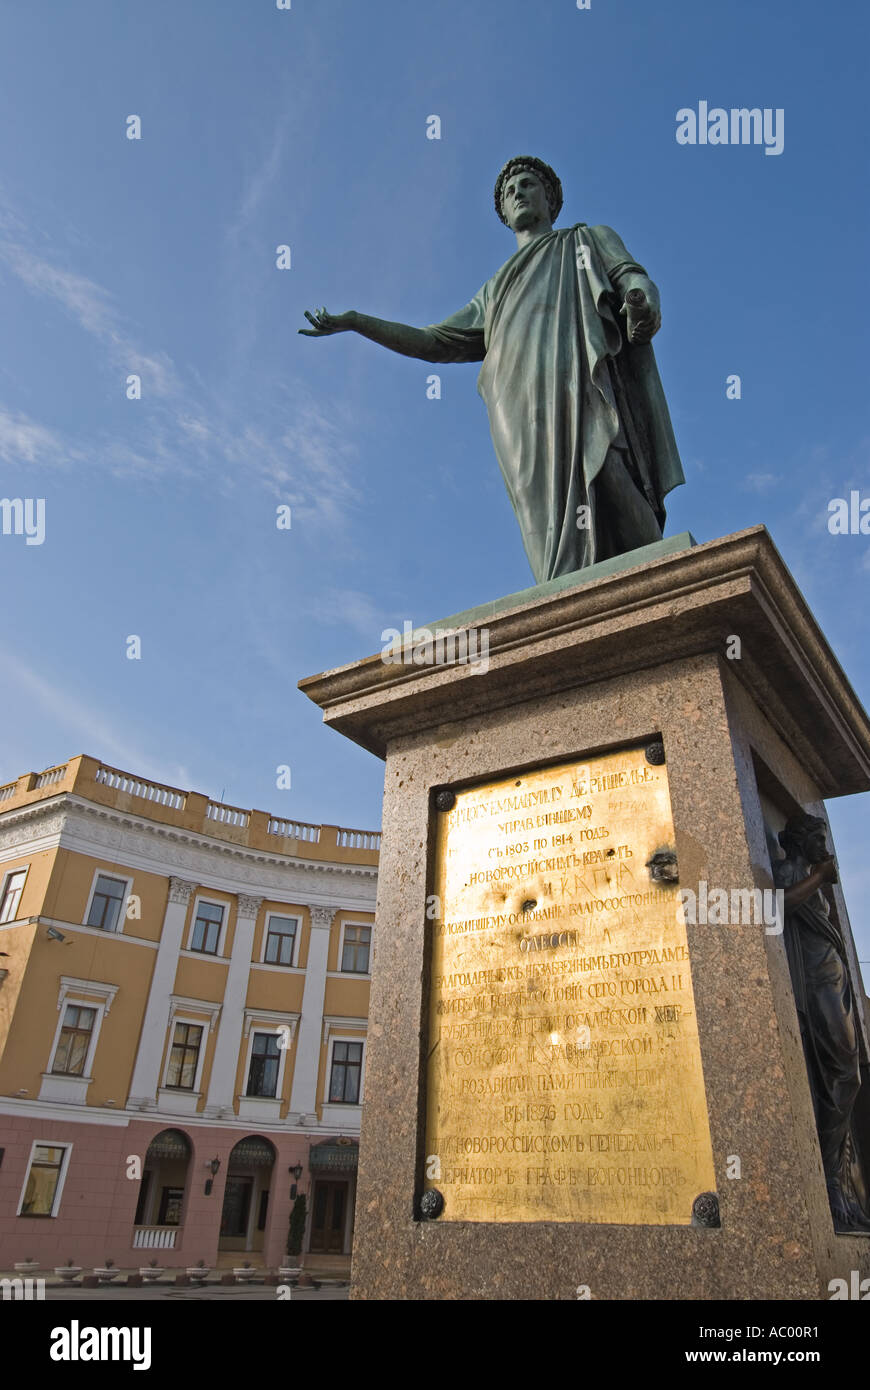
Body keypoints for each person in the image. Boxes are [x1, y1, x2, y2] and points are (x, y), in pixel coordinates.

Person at [301, 155, 685, 584]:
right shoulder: (495, 290)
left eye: (527, 184)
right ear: (503, 213)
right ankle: (562, 603)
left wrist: (641, 300)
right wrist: (358, 322)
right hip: (516, 407)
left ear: (550, 198)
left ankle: (673, 582)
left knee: (608, 469)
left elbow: (632, 278)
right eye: (508, 191)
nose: (517, 193)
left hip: (580, 377)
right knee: (539, 509)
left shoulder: (586, 240)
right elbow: (434, 342)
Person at [773, 812, 870, 1231]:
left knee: (847, 1077)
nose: (823, 845)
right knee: (843, 1077)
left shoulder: (811, 874)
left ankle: (841, 1185)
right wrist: (819, 877)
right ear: (800, 842)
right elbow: (777, 903)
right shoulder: (789, 870)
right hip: (814, 984)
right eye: (817, 837)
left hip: (835, 978)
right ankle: (829, 1182)